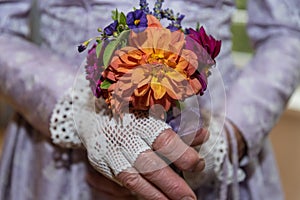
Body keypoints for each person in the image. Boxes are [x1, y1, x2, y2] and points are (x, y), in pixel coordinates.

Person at [0, 0, 299, 200]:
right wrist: (82, 112)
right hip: (65, 161)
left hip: (212, 131)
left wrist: (226, 141)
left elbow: (287, 32)